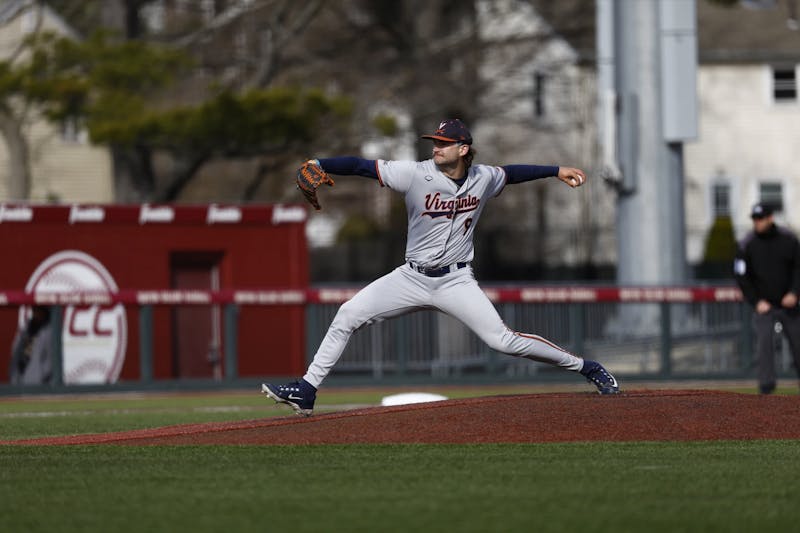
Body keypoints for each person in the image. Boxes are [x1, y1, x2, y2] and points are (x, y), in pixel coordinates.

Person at [262, 118, 620, 415]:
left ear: (463, 149)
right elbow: (360, 166)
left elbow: (512, 173)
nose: (436, 147)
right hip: (411, 277)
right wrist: (320, 164)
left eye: (445, 143)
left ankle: (586, 367)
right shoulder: (414, 174)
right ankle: (306, 390)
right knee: (347, 314)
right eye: (435, 141)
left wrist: (556, 170)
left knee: (504, 341)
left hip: (456, 281)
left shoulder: (483, 177)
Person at [734, 202, 800, 394]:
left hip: (790, 304)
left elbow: (799, 268)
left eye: (760, 219)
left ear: (771, 218)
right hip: (764, 305)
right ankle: (766, 388)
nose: (757, 223)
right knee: (764, 345)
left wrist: (795, 292)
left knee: (798, 344)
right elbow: (740, 275)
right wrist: (755, 301)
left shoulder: (788, 239)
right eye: (755, 219)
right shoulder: (747, 243)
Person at [9, 305, 53, 385]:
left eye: (38, 310)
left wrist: (40, 376)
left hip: (38, 384)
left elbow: (51, 359)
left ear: (44, 312)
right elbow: (16, 349)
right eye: (34, 310)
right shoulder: (26, 327)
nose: (35, 313)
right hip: (19, 378)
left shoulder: (50, 331)